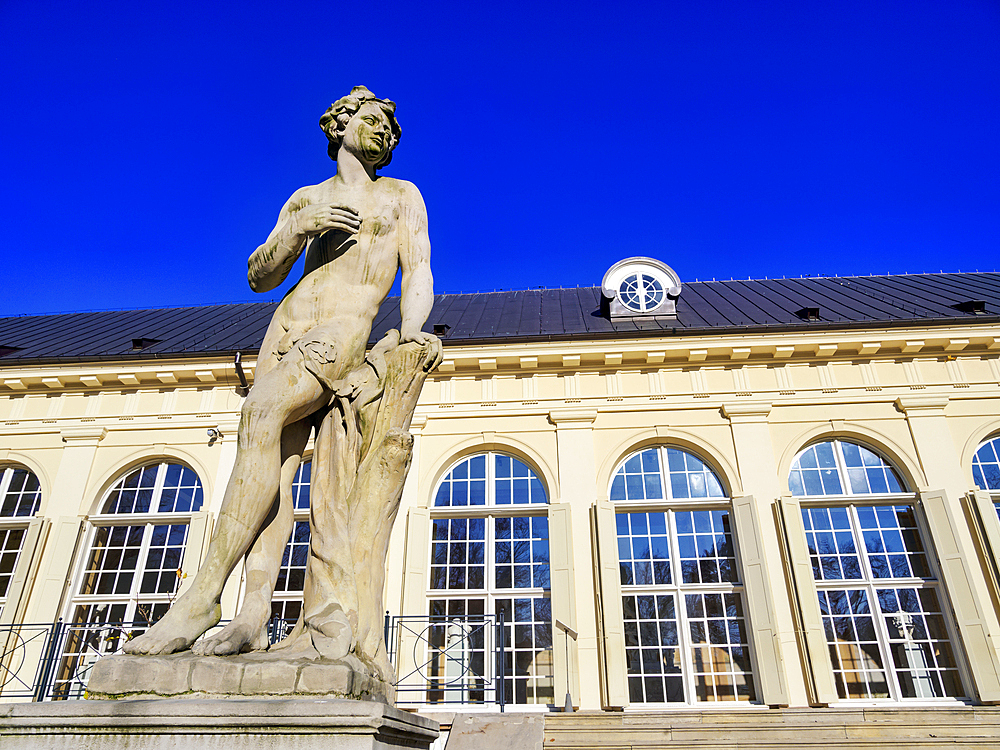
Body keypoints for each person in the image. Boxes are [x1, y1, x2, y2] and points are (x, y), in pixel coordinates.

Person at [125, 86, 441, 656]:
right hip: (286, 327)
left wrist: (413, 338)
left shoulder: (400, 196)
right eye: (372, 121)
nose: (384, 134)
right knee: (276, 463)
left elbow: (418, 270)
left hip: (340, 334)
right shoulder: (305, 198)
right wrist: (302, 227)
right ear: (339, 125)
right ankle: (252, 613)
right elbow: (259, 275)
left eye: (390, 131)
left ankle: (201, 596)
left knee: (261, 412)